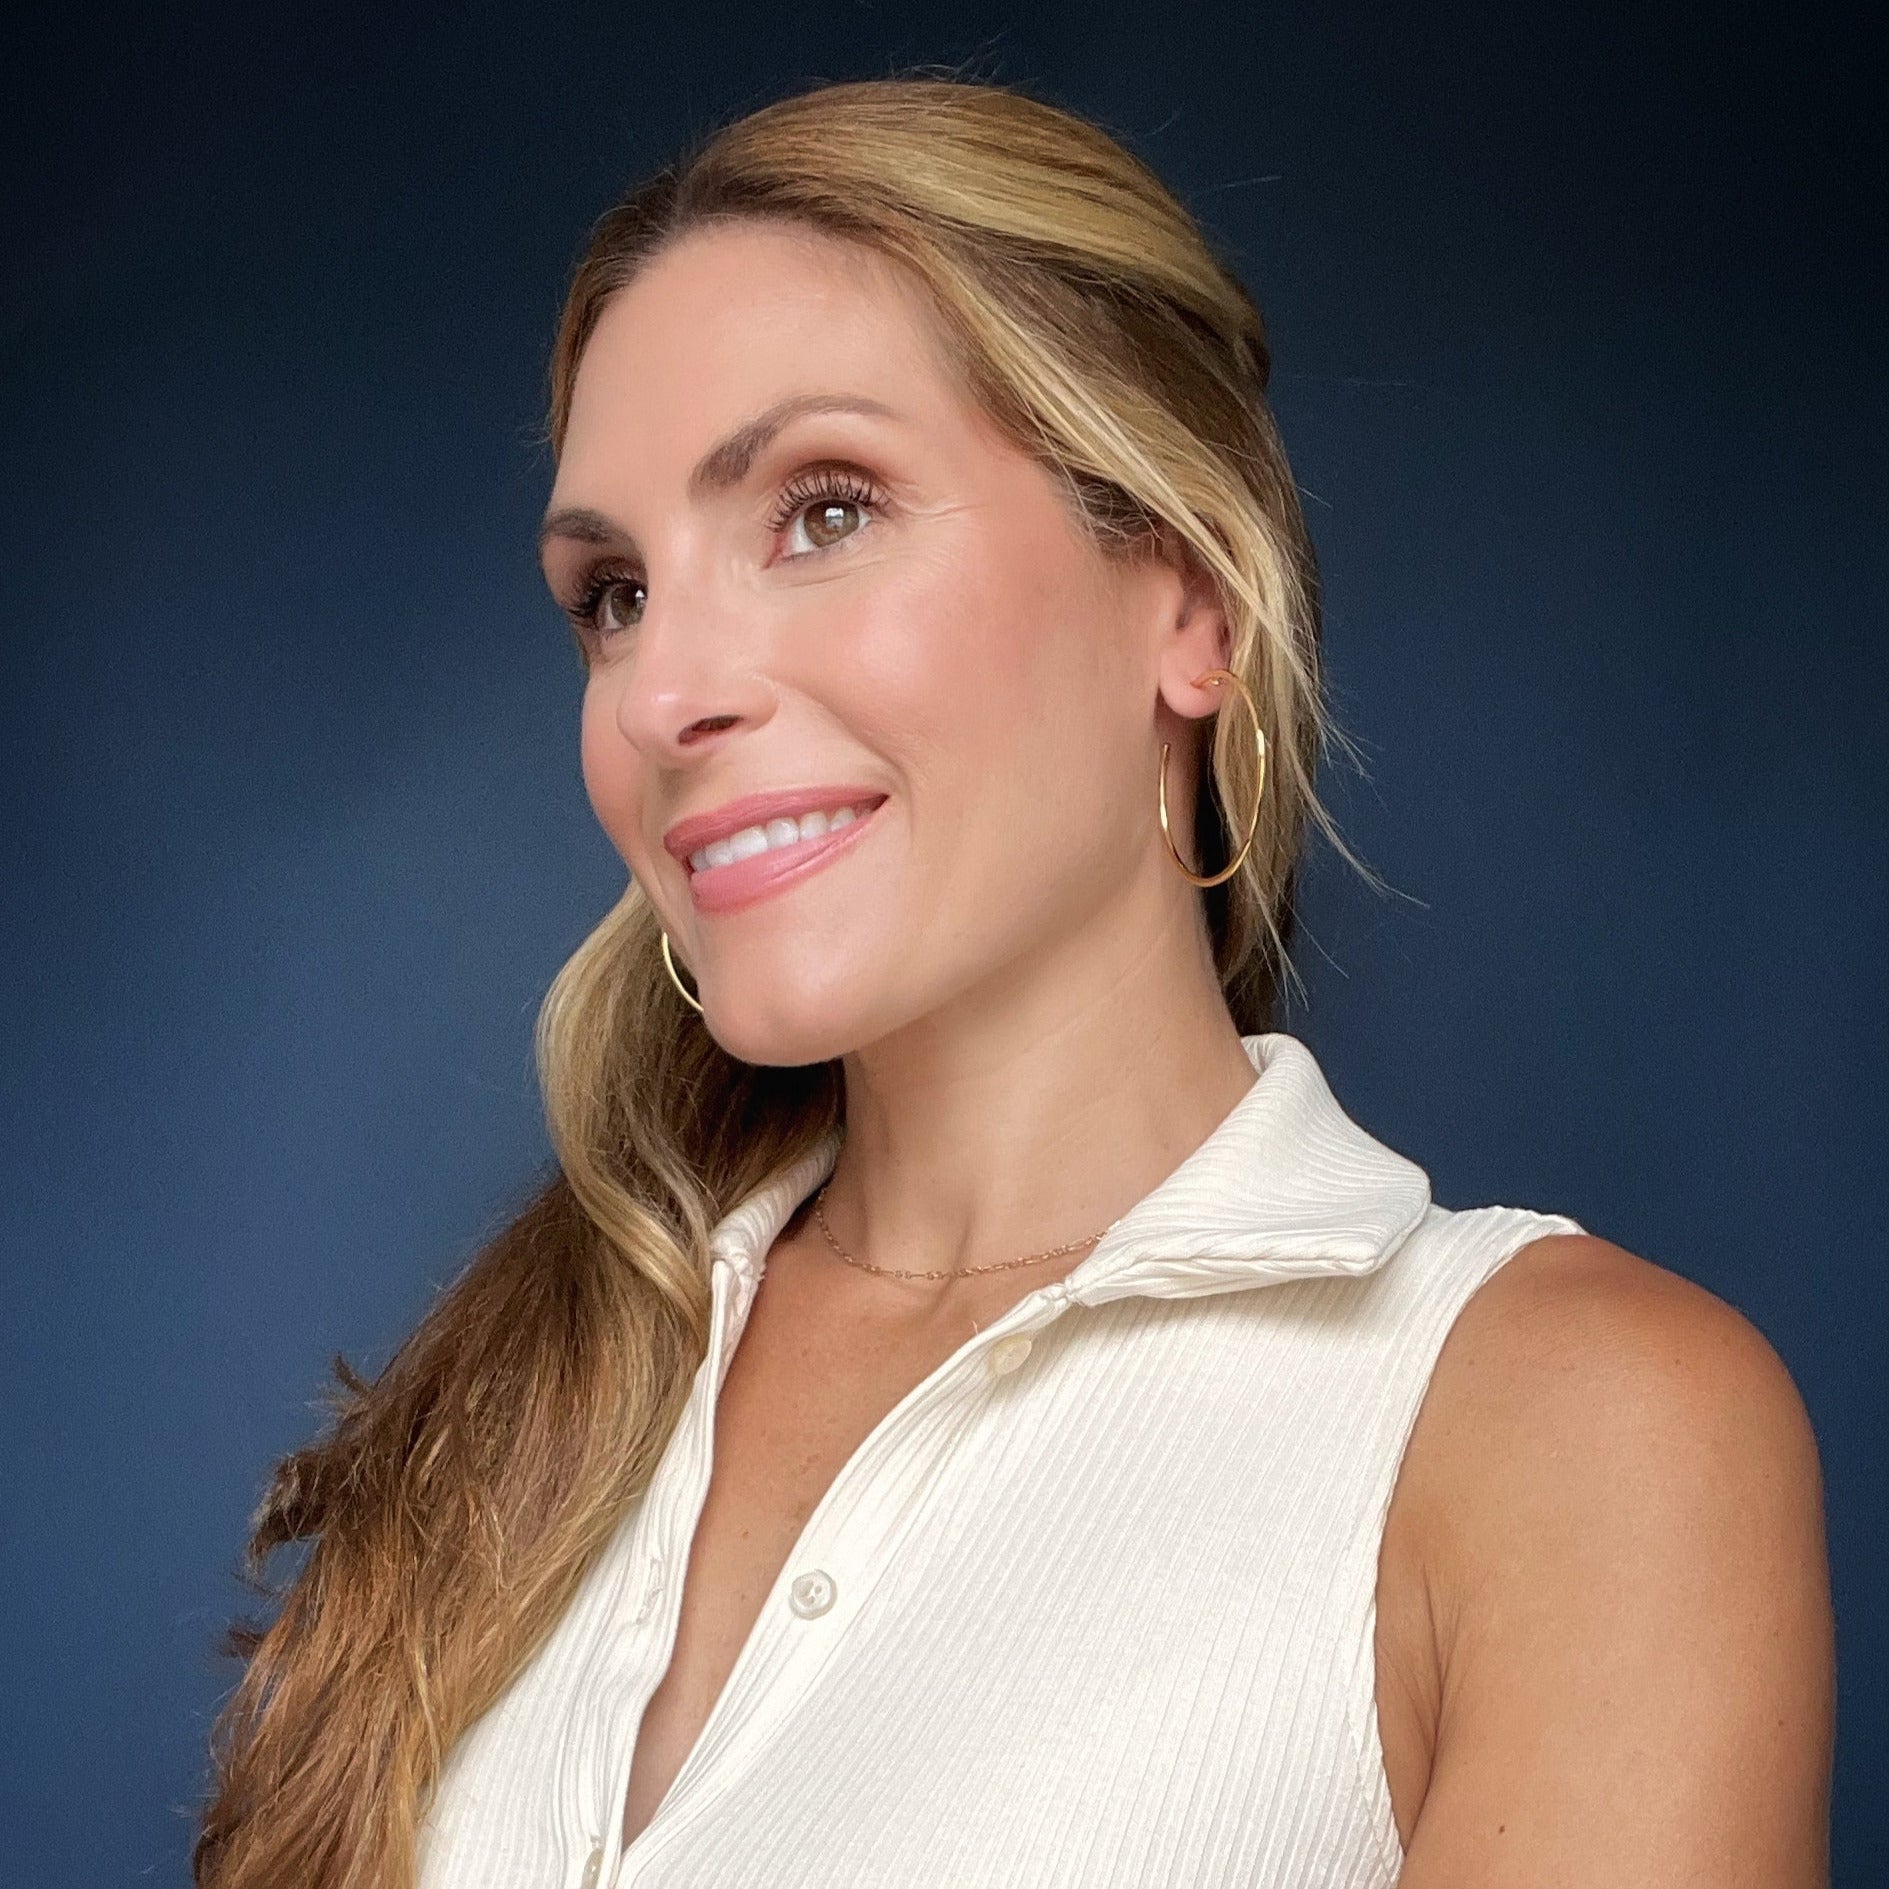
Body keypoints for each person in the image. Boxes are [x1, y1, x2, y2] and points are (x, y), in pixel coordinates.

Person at [194, 74, 1835, 1889]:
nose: (660, 694)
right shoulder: (523, 1405)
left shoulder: (1567, 1429)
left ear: (1189, 603)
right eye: (615, 596)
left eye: (824, 511)